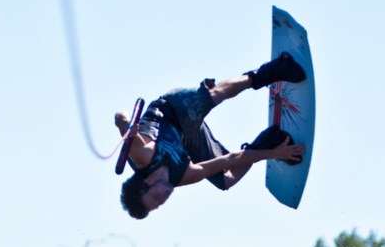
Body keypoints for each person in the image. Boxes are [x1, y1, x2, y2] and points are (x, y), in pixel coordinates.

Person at [116, 52, 308, 219]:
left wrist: (127, 125)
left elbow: (119, 117)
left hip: (173, 108)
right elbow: (229, 159)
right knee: (226, 179)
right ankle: (269, 140)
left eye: (156, 198)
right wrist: (273, 153)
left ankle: (273, 70)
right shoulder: (183, 176)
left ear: (146, 183)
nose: (164, 199)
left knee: (209, 98)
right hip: (188, 137)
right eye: (159, 204)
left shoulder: (142, 155)